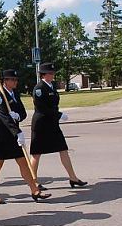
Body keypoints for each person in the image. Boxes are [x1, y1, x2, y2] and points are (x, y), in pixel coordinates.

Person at [0, 70, 51, 204]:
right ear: (5, 81)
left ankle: (35, 191)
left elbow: (22, 112)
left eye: (16, 80)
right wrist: (17, 132)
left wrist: (18, 116)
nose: (15, 82)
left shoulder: (14, 93)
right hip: (1, 135)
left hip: (13, 134)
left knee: (23, 162)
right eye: (12, 80)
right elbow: (3, 116)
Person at [30, 62, 87, 190]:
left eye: (53, 73)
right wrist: (58, 115)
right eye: (50, 73)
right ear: (43, 75)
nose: (52, 75)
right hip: (41, 124)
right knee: (36, 153)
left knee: (63, 149)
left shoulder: (51, 86)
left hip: (52, 123)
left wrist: (56, 116)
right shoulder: (39, 88)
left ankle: (73, 177)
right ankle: (33, 182)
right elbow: (41, 107)